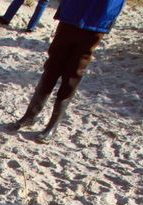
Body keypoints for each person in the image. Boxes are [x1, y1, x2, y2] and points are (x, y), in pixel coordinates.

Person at [7, 0, 127, 143]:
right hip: (72, 12)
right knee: (52, 66)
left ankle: (53, 125)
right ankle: (30, 116)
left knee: (73, 74)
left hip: (99, 18)